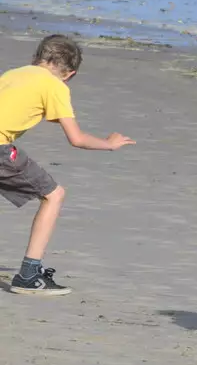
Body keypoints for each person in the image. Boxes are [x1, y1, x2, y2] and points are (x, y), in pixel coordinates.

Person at [1, 35, 135, 296]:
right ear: (69, 73)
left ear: (37, 58)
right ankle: (28, 275)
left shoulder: (15, 74)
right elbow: (77, 139)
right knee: (54, 195)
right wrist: (109, 143)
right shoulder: (55, 86)